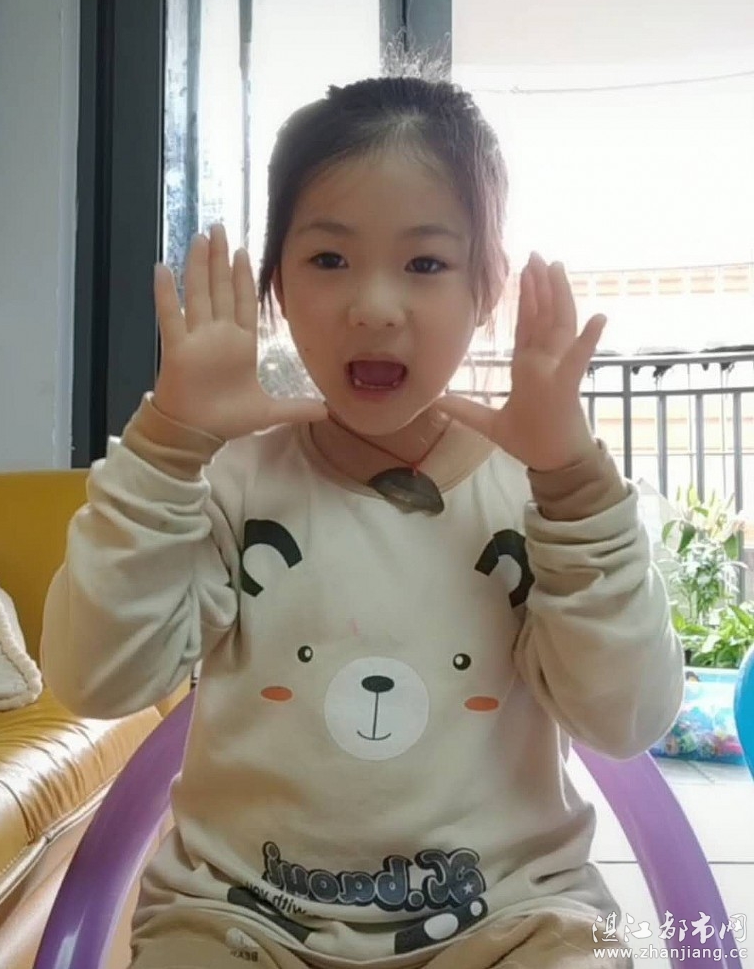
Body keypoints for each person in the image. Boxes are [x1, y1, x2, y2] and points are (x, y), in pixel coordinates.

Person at [42, 76, 684, 969]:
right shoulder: (226, 483)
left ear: (487, 288)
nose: (375, 305)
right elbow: (95, 679)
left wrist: (575, 486)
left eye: (425, 264)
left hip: (515, 920)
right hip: (239, 919)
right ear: (275, 285)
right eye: (328, 258)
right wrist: (166, 447)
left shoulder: (540, 494)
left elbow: (628, 717)